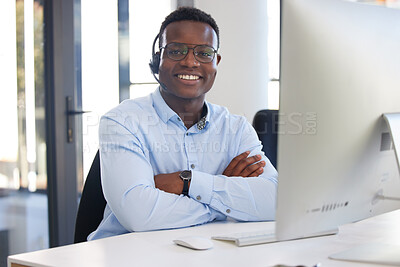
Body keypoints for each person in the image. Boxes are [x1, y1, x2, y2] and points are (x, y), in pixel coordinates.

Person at [88, 7, 277, 240]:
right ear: (158, 59)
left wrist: (186, 182)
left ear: (215, 61)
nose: (190, 62)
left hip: (204, 251)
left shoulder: (235, 128)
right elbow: (138, 214)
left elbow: (275, 200)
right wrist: (225, 198)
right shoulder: (122, 122)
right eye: (176, 51)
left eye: (204, 53)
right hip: (128, 254)